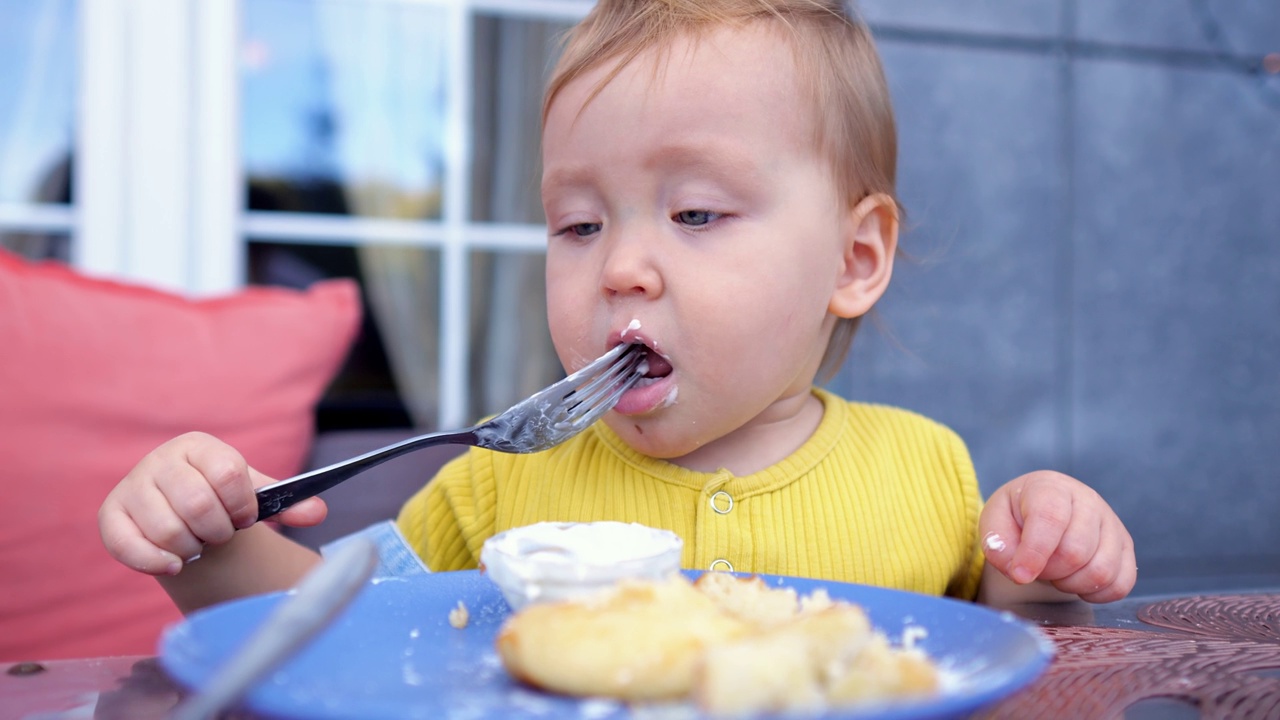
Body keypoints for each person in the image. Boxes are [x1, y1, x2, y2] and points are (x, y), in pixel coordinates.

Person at [99, 0, 1135, 614]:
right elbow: (338, 631)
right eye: (579, 225)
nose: (620, 268)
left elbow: (1007, 654)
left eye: (693, 211)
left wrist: (1037, 562)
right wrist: (209, 545)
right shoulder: (500, 493)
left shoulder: (928, 476)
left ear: (854, 258)